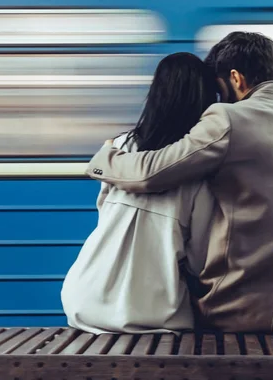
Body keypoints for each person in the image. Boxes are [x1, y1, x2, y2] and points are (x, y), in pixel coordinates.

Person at [86, 32, 273, 333]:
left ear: (236, 78)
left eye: (219, 88)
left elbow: (151, 173)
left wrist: (105, 157)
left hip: (243, 313)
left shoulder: (229, 119)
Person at [61, 52, 217, 334]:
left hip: (83, 297)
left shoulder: (120, 146)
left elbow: (104, 212)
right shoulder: (200, 167)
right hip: (150, 314)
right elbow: (199, 259)